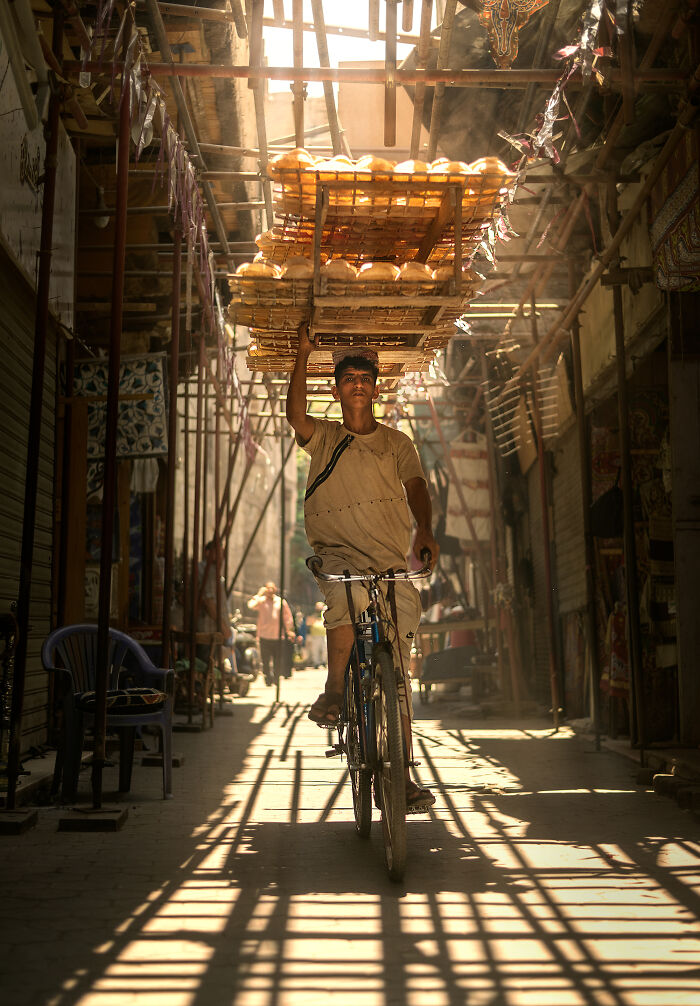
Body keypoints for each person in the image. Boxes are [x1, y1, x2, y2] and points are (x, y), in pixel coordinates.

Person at [285, 323, 440, 812]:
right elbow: (294, 417)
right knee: (345, 602)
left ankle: (404, 773)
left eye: (365, 377)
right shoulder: (325, 437)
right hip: (340, 555)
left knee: (399, 677)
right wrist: (302, 357)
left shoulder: (398, 443)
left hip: (390, 561)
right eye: (348, 376)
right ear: (336, 388)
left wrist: (425, 530)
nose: (357, 383)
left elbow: (416, 487)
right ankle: (334, 690)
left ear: (376, 387)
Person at [248, 581, 295, 685]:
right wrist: (259, 594)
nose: (270, 590)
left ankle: (276, 678)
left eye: (272, 588)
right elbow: (250, 606)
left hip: (278, 636)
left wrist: (290, 631)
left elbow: (288, 618)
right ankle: (268, 677)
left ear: (275, 589)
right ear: (265, 589)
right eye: (268, 588)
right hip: (264, 636)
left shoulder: (281, 602)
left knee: (278, 660)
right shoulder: (261, 601)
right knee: (265, 660)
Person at [197, 539, 231, 658]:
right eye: (219, 552)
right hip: (209, 632)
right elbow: (209, 602)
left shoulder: (214, 573)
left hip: (213, 633)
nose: (222, 557)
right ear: (208, 553)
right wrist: (224, 628)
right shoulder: (207, 571)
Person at [306, 601, 328, 668]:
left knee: (325, 649)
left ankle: (324, 662)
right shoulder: (313, 615)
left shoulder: (324, 614)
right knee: (315, 650)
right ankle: (316, 663)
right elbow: (308, 623)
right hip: (315, 635)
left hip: (324, 634)